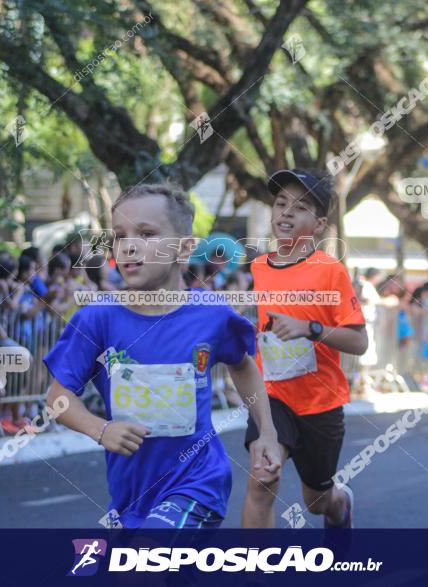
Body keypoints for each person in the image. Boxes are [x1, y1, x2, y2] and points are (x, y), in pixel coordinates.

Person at [44, 183, 281, 528]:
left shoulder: (211, 313)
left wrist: (267, 433)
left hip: (197, 483)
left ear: (184, 249)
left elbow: (242, 365)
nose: (129, 246)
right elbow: (57, 397)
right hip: (131, 494)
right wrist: (101, 429)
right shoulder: (97, 318)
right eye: (120, 236)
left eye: (147, 234)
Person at [241, 169, 368, 529]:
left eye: (299, 208)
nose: (285, 213)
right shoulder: (258, 266)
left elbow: (359, 342)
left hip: (319, 404)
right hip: (271, 396)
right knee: (262, 479)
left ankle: (340, 506)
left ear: (320, 224)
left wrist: (310, 329)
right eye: (280, 204)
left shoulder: (330, 270)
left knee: (316, 502)